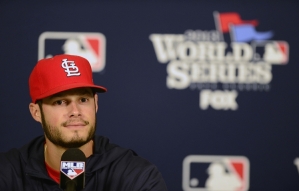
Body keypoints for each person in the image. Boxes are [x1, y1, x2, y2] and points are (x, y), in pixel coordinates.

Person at [0, 54, 168, 191]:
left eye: (83, 99)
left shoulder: (135, 176)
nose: (75, 111)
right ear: (36, 112)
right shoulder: (8, 173)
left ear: (95, 104)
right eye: (60, 102)